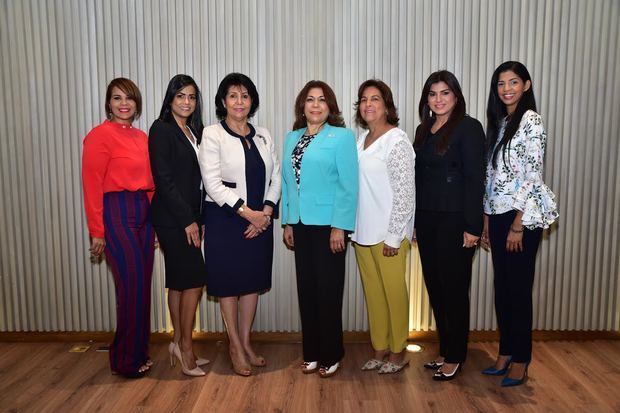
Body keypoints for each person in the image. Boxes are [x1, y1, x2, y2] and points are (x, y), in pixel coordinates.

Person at [197, 73, 281, 377]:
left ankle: (246, 343)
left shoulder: (264, 134)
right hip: (226, 220)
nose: (239, 101)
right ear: (223, 101)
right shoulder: (212, 134)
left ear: (252, 101)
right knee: (229, 285)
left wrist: (267, 212)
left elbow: (277, 177)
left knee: (251, 284)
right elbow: (213, 184)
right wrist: (250, 214)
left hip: (261, 220)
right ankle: (233, 345)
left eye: (245, 96)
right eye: (233, 95)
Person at [481, 61, 558, 387]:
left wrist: (517, 224)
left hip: (521, 219)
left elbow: (531, 175)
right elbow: (492, 176)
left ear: (526, 85)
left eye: (513, 82)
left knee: (518, 291)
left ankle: (521, 358)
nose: (507, 88)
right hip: (497, 215)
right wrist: (486, 218)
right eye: (501, 83)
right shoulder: (500, 123)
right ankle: (505, 352)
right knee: (503, 290)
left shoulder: (531, 121)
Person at [281, 80, 358, 378]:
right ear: (303, 105)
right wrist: (287, 220)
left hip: (329, 226)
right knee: (307, 291)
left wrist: (340, 226)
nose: (315, 105)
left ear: (331, 107)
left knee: (328, 291)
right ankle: (311, 352)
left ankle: (331, 353)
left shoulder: (341, 137)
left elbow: (348, 186)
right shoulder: (291, 138)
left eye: (322, 100)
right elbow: (288, 183)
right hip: (300, 224)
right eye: (310, 99)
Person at [413, 70, 485, 381]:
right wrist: (414, 223)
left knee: (454, 289)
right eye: (433, 94)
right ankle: (445, 348)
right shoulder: (423, 129)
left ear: (456, 96)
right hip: (428, 220)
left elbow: (475, 180)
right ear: (426, 99)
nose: (438, 99)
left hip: (456, 222)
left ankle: (456, 355)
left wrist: (473, 227)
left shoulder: (469, 128)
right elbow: (419, 180)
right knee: (436, 288)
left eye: (445, 93)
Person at [82, 78, 155, 378]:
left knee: (142, 287)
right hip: (116, 213)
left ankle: (138, 354)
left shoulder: (142, 137)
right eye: (116, 98)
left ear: (136, 104)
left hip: (144, 213)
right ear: (108, 104)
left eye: (129, 98)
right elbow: (92, 185)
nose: (123, 103)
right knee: (130, 287)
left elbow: (152, 184)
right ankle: (124, 360)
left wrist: (157, 223)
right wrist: (97, 230)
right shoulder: (98, 136)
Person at [351, 79, 415, 374]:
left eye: (375, 99)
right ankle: (380, 348)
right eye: (363, 99)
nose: (368, 104)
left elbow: (405, 192)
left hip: (387, 234)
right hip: (362, 233)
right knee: (374, 296)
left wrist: (394, 235)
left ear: (386, 105)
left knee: (394, 294)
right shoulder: (360, 140)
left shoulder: (397, 140)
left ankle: (399, 352)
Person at [149, 74, 209, 377]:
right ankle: (186, 348)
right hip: (173, 219)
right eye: (180, 96)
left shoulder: (194, 130)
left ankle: (177, 341)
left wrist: (198, 217)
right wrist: (187, 220)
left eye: (192, 97)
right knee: (194, 281)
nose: (186, 102)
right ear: (170, 99)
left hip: (189, 216)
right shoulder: (161, 129)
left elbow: (197, 181)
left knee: (178, 280)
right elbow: (164, 179)